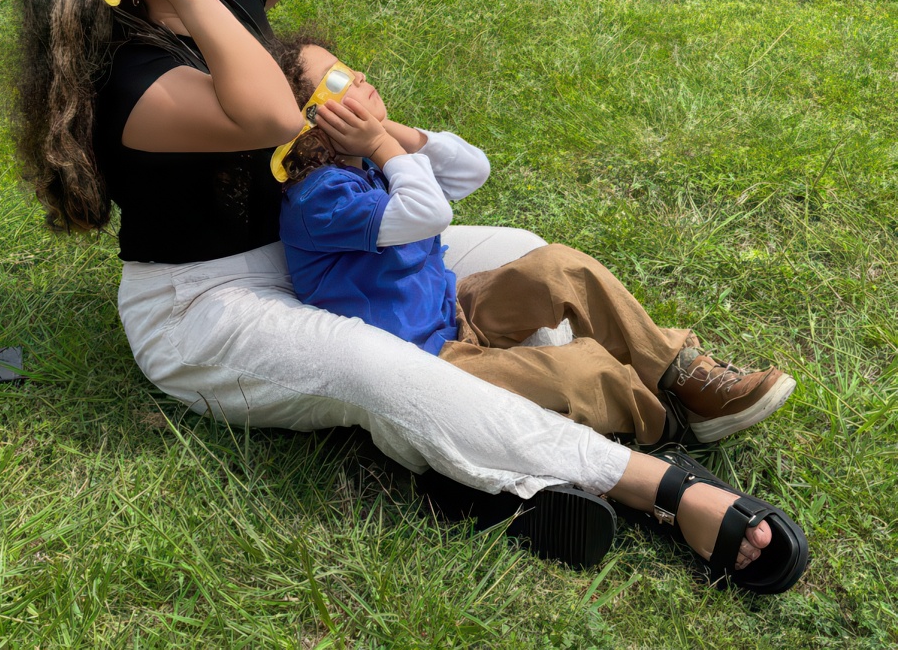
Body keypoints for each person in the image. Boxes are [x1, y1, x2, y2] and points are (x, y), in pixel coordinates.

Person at [11, 0, 807, 592]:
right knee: (375, 368)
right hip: (204, 307)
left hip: (314, 248)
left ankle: (472, 456)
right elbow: (263, 111)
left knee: (528, 252)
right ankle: (659, 485)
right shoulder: (133, 82)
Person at [273, 40, 796, 447]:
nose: (360, 75)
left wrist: (393, 136)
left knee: (560, 268)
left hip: (454, 312)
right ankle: (665, 420)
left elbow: (473, 171)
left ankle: (683, 372)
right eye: (340, 79)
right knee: (577, 371)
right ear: (313, 124)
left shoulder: (370, 159)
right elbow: (431, 210)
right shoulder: (320, 198)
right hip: (425, 362)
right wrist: (383, 145)